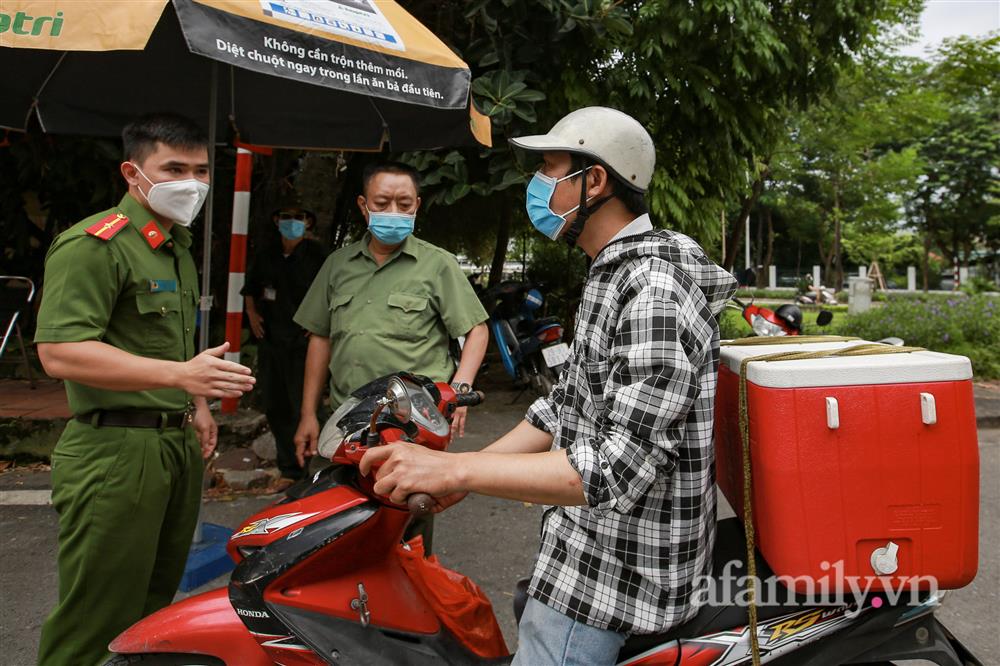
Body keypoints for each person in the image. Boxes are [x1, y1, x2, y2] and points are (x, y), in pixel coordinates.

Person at [359, 107, 738, 665]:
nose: (537, 186)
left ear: (596, 180)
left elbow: (615, 469)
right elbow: (564, 406)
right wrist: (471, 473)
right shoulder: (612, 273)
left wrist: (453, 468)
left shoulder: (653, 290)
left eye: (551, 168)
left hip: (610, 582)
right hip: (583, 551)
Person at [33, 113, 256, 666]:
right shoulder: (93, 244)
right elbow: (60, 352)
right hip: (114, 452)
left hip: (173, 447)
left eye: (203, 170)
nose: (193, 183)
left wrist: (197, 404)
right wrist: (181, 378)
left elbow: (170, 344)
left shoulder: (174, 246)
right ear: (133, 172)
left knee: (154, 610)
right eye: (175, 169)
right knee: (97, 616)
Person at [293, 161, 489, 552]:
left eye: (404, 204)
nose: (394, 213)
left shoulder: (437, 265)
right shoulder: (337, 266)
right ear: (364, 207)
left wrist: (460, 387)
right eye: (384, 203)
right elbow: (320, 338)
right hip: (345, 422)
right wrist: (308, 413)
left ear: (417, 206)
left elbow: (476, 329)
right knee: (335, 527)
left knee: (406, 533)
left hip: (411, 427)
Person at [244, 200, 326, 489]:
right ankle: (289, 470)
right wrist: (252, 315)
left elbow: (331, 293)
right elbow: (251, 289)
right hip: (271, 340)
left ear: (308, 222)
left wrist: (318, 322)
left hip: (304, 345)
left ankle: (313, 471)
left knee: (304, 405)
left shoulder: (318, 256)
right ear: (277, 220)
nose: (292, 221)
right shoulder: (266, 255)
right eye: (287, 216)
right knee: (276, 405)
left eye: (299, 217)